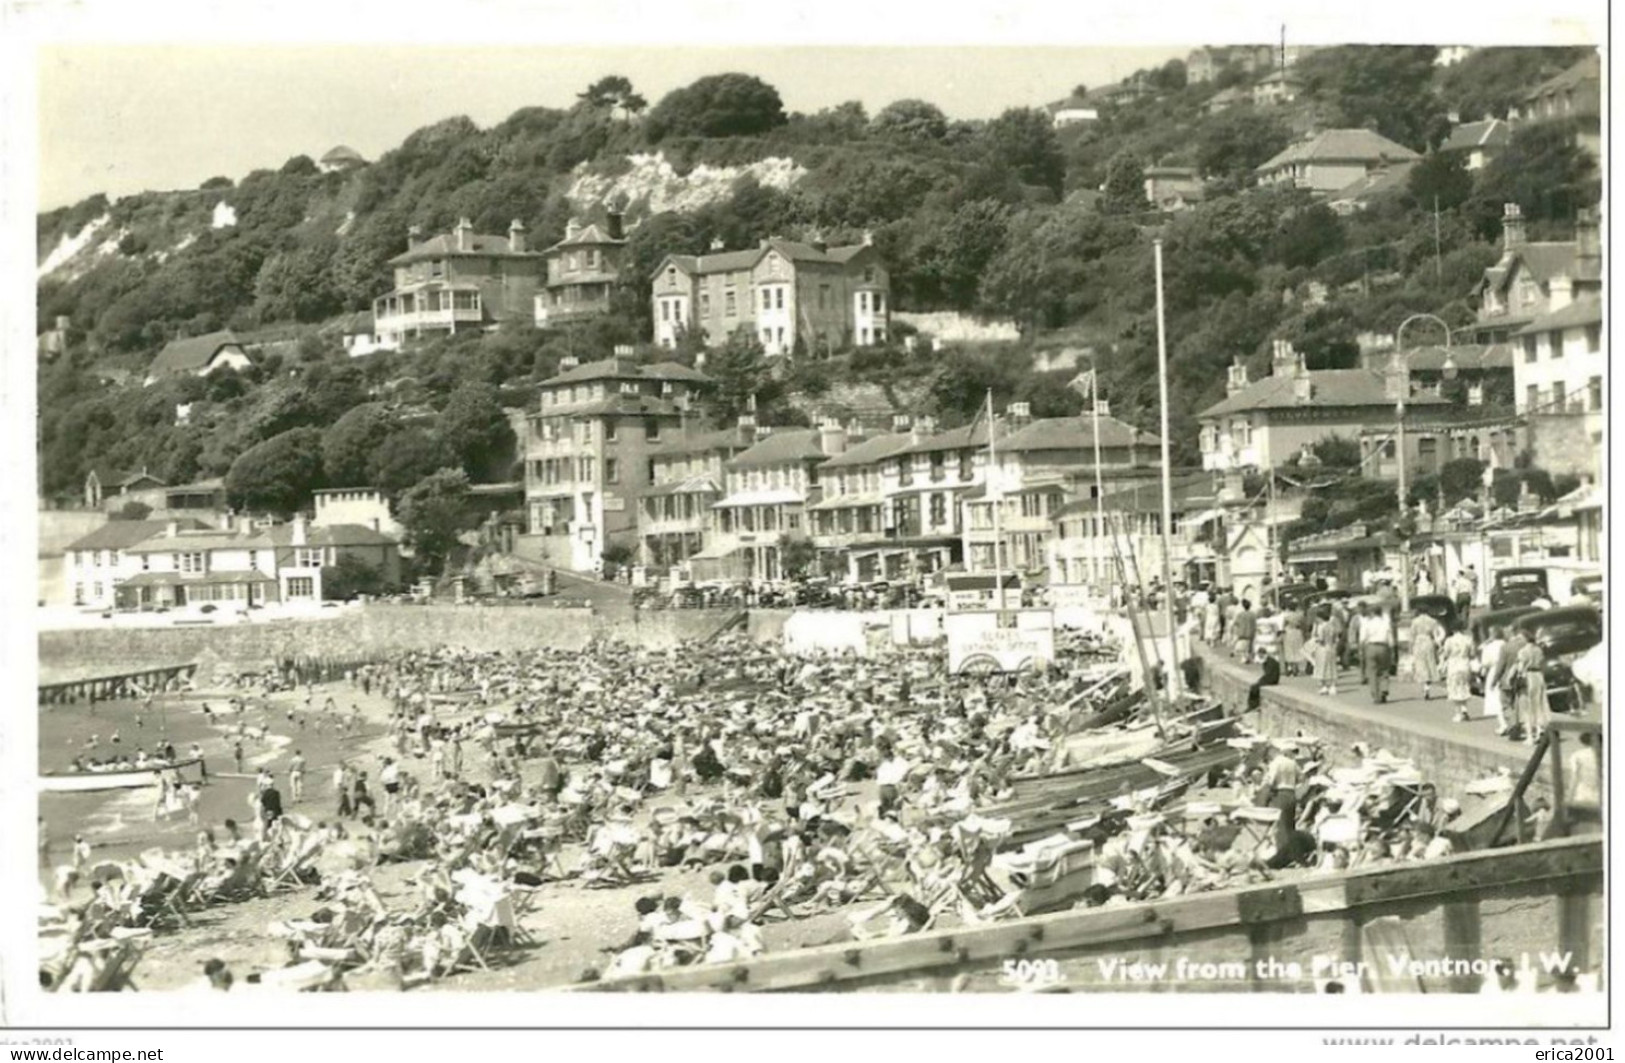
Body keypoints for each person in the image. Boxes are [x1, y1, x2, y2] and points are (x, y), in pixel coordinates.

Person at [1357, 602, 1394, 704]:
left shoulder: (1367, 623)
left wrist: (1360, 649)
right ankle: (1384, 689)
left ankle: (1375, 695)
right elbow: (1390, 639)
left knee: (1372, 671)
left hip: (1371, 647)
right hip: (1383, 647)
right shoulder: (1385, 623)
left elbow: (1362, 638)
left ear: (1372, 613)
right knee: (1384, 670)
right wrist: (1391, 649)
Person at [1441, 627, 1476, 723]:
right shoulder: (1468, 639)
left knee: (1454, 689)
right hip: (1465, 664)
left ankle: (1458, 713)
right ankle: (1465, 710)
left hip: (1453, 666)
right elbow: (1472, 654)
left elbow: (1445, 654)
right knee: (1464, 687)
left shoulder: (1449, 640)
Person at [1409, 611, 1443, 701]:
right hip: (1428, 642)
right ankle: (1427, 687)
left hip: (1418, 642)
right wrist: (1439, 645)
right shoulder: (1433, 621)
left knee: (1421, 665)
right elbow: (1436, 635)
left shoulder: (1415, 621)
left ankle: (1424, 684)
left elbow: (1412, 635)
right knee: (1430, 664)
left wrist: (1410, 647)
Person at [1312, 606, 1342, 697]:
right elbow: (1336, 638)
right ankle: (1333, 686)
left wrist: (1315, 640)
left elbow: (1321, 639)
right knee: (1332, 666)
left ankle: (1324, 686)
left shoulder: (1322, 627)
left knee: (1322, 667)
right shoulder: (1331, 626)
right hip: (1332, 647)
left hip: (1323, 648)